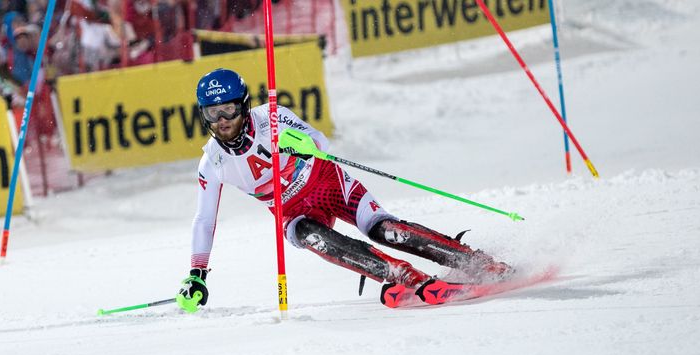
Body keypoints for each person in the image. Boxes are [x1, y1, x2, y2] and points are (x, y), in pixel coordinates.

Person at [176, 69, 512, 312]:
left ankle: (476, 262)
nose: (222, 120)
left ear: (244, 105)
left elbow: (320, 142)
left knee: (385, 230)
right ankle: (404, 275)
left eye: (229, 109)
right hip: (293, 212)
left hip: (328, 184)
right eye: (213, 112)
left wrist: (295, 144)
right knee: (309, 235)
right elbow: (204, 220)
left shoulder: (271, 117)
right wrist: (197, 274)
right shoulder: (213, 162)